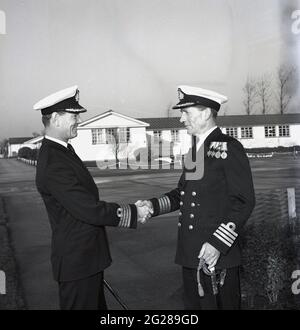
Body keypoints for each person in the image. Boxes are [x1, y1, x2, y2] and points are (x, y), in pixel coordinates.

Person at [138, 85, 255, 310]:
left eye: (186, 112)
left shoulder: (229, 148)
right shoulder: (195, 151)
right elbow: (182, 194)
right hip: (191, 254)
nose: (182, 119)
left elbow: (244, 200)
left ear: (206, 113)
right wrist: (152, 207)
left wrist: (217, 243)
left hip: (215, 255)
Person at [34, 85, 149, 310]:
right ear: (56, 119)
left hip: (85, 261)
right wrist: (134, 212)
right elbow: (87, 208)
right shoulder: (54, 161)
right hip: (77, 263)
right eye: (73, 115)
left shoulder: (63, 152)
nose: (78, 120)